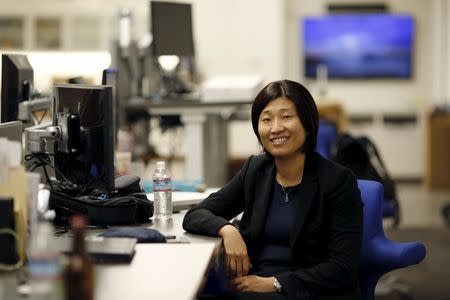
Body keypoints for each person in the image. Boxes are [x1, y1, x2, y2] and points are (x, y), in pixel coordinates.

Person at [182, 80, 363, 300]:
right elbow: (196, 215)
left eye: (286, 117)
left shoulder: (337, 181)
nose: (276, 128)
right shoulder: (256, 170)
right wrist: (227, 230)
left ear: (307, 124)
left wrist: (274, 284)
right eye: (266, 119)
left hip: (307, 292)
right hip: (252, 284)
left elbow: (342, 268)